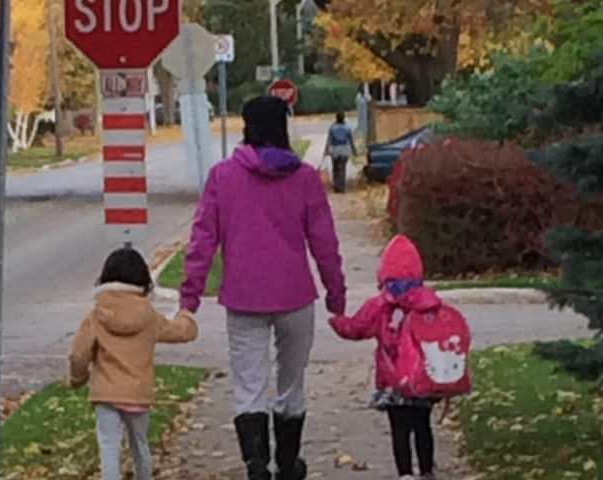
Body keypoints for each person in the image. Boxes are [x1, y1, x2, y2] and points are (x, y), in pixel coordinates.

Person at [180, 95, 346, 480]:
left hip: (243, 296)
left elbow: (203, 239)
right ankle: (288, 463)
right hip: (295, 296)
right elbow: (324, 241)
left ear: (246, 127)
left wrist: (190, 296)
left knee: (248, 384)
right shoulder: (304, 179)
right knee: (292, 383)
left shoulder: (223, 176)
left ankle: (256, 462)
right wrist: (335, 293)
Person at [69, 248, 199, 480]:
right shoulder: (148, 316)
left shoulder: (97, 315)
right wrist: (186, 315)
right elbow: (180, 332)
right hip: (138, 393)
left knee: (108, 447)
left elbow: (79, 353)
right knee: (140, 445)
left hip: (106, 394)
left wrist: (78, 378)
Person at [329, 235, 439, 480]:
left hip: (392, 379)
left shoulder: (379, 305)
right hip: (422, 378)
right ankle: (427, 470)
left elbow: (357, 328)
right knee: (423, 425)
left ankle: (405, 473)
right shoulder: (429, 302)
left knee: (399, 428)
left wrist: (337, 320)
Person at [324, 111, 357, 193]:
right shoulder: (347, 127)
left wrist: (326, 150)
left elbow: (329, 140)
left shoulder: (332, 127)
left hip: (335, 150)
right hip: (345, 149)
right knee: (343, 168)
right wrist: (354, 150)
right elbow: (351, 140)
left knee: (335, 168)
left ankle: (336, 185)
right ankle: (342, 186)